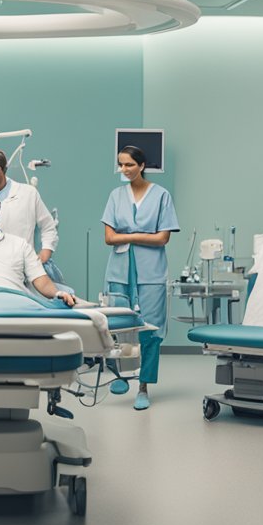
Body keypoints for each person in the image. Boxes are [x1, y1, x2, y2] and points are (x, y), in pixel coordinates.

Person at [102, 145, 179, 411]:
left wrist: (129, 235)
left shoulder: (161, 196)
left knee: (151, 330)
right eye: (121, 165)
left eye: (129, 165)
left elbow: (163, 238)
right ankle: (121, 375)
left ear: (142, 165)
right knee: (119, 326)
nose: (124, 170)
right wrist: (142, 235)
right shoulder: (115, 195)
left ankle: (143, 386)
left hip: (151, 271)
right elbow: (108, 238)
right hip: (120, 268)